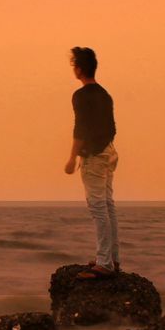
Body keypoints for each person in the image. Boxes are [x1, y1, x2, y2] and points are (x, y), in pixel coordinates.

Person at [62, 46, 119, 279]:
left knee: (98, 208)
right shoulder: (105, 94)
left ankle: (105, 263)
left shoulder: (81, 95)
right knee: (107, 205)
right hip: (109, 151)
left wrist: (72, 157)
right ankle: (111, 258)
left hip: (94, 155)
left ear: (79, 69)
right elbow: (111, 126)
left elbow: (81, 128)